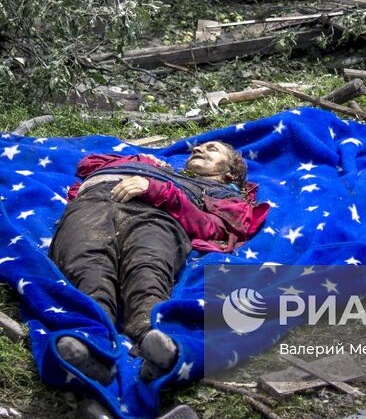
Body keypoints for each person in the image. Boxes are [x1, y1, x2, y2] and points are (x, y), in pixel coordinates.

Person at [49, 140, 269, 384]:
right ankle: (93, 344)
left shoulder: (225, 196)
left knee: (147, 268)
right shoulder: (155, 166)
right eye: (199, 147)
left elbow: (214, 229)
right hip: (92, 203)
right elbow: (88, 165)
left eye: (212, 149)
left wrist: (160, 192)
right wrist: (139, 162)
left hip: (156, 216)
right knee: (87, 263)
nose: (198, 149)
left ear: (230, 173)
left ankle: (153, 344)